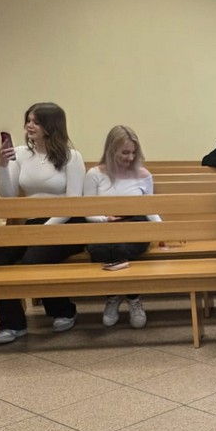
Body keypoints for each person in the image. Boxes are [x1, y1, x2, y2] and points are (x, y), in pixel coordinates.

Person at [0, 102, 86, 344]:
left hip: (66, 223)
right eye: (28, 120)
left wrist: (44, 231)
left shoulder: (71, 157)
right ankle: (12, 324)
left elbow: (74, 202)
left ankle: (64, 310)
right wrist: (2, 166)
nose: (29, 126)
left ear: (51, 125)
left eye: (36, 121)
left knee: (34, 258)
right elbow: (8, 195)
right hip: (32, 223)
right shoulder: (21, 154)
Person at [83, 126, 161, 329]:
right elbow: (87, 212)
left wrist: (162, 230)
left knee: (121, 247)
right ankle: (119, 296)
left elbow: (149, 208)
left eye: (133, 152)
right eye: (125, 152)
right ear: (111, 150)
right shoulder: (94, 174)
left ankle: (127, 297)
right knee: (102, 249)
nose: (130, 157)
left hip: (135, 224)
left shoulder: (143, 175)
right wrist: (104, 219)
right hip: (103, 226)